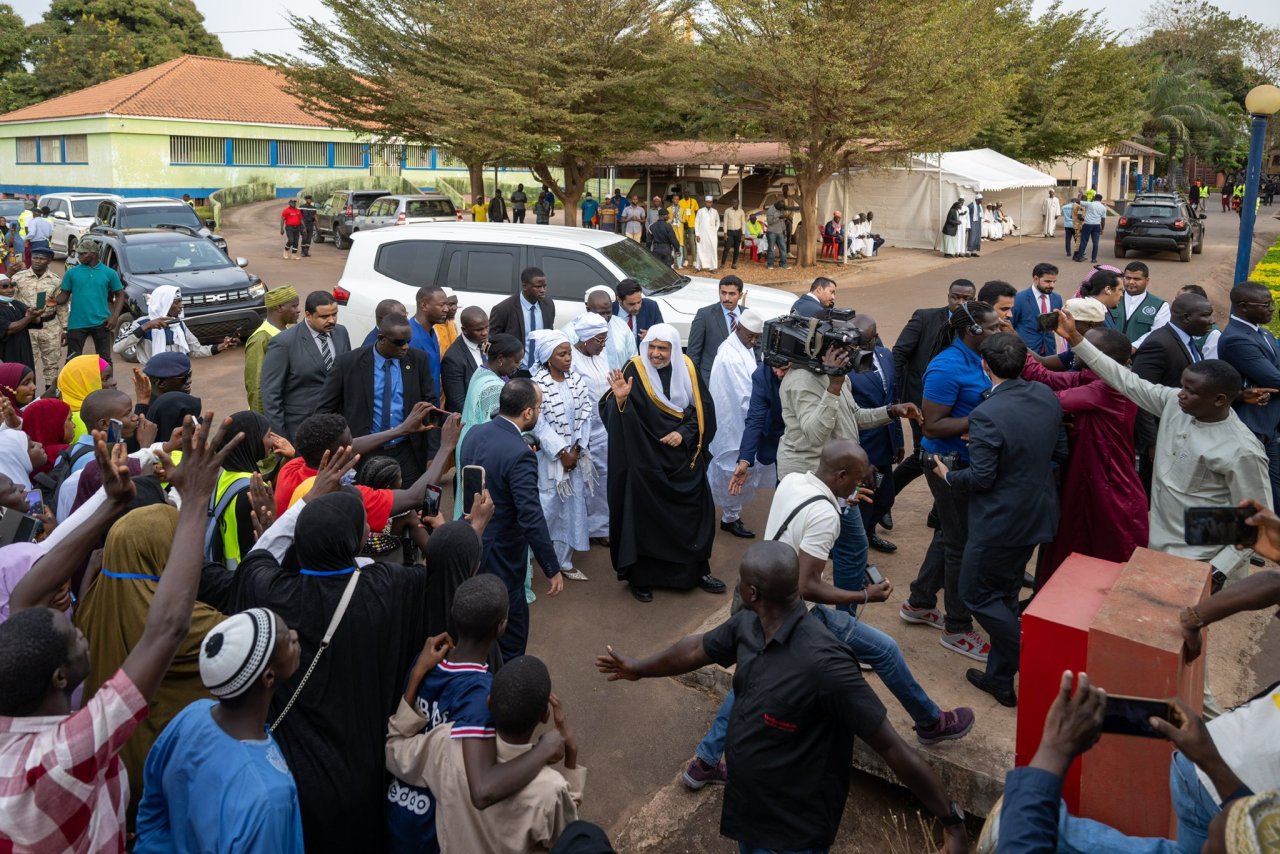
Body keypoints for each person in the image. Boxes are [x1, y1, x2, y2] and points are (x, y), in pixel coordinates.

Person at [596, 540, 969, 854]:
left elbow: (892, 747)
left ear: (752, 593)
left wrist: (951, 821)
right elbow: (695, 649)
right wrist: (639, 668)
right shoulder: (749, 625)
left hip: (793, 831)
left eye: (740, 582)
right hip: (750, 810)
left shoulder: (826, 666)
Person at [228, 442, 477, 853]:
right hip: (362, 770)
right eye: (362, 524)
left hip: (289, 768)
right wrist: (468, 531)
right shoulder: (391, 588)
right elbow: (446, 574)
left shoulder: (271, 590)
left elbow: (259, 557)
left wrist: (303, 505)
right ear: (352, 539)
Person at [0, 416, 233, 852]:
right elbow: (165, 629)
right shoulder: (67, 752)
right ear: (60, 678)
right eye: (74, 639)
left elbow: (27, 596)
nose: (82, 633)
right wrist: (197, 499)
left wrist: (108, 505)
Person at [1058, 308, 1272, 583]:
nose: (1181, 395)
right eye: (1183, 386)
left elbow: (1256, 521)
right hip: (1157, 548)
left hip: (1198, 563)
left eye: (1191, 392)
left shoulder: (1242, 450)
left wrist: (1216, 572)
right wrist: (1076, 337)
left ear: (1219, 400)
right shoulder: (1175, 403)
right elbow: (1125, 380)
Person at [931, 333, 1066, 707]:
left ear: (984, 365)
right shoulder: (1045, 395)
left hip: (999, 520)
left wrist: (947, 475)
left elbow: (981, 479)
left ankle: (1025, 651)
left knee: (975, 595)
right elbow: (1058, 451)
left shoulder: (986, 414)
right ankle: (1000, 680)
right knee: (1005, 592)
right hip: (1036, 511)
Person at [385, 574, 563, 853]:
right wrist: (544, 749)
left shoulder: (426, 663)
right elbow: (482, 787)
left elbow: (398, 742)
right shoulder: (482, 697)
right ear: (502, 626)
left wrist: (418, 671)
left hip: (399, 809)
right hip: (434, 828)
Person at [135, 608, 304, 853]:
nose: (295, 635)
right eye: (287, 641)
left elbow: (152, 809)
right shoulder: (268, 798)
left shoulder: (192, 716)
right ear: (269, 676)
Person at [388, 644, 583, 854]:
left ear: (489, 703)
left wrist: (417, 674)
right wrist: (571, 758)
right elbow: (570, 838)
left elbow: (394, 750)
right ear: (545, 716)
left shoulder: (446, 742)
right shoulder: (550, 789)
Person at [900, 302, 1000, 662]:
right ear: (971, 331)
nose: (998, 332)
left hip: (962, 462)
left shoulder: (977, 360)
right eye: (992, 328)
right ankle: (957, 628)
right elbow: (932, 425)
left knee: (949, 535)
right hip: (947, 464)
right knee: (961, 544)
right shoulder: (946, 366)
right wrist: (985, 417)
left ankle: (920, 602)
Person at [600, 324, 724, 603]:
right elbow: (610, 412)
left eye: (663, 348)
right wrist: (620, 402)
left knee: (696, 512)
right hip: (645, 463)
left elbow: (703, 412)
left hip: (683, 460)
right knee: (645, 520)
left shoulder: (688, 368)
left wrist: (684, 433)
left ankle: (696, 571)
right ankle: (641, 578)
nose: (656, 354)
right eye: (652, 347)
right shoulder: (634, 369)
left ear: (672, 349)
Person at [1020, 327, 1146, 585]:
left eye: (1084, 347)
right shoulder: (1092, 377)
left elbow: (1048, 401)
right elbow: (1043, 375)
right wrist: (1014, 341)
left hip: (1109, 483)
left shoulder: (1110, 386)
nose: (1075, 349)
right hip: (1089, 473)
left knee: (1107, 545)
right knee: (1074, 535)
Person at [459, 379, 563, 659]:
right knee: (510, 637)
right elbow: (530, 516)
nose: (539, 412)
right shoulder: (520, 455)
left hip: (471, 541)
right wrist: (551, 566)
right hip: (503, 555)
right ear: (528, 413)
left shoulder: (475, 434)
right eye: (539, 407)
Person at [317, 313, 437, 484]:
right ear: (381, 338)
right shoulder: (348, 363)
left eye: (408, 341)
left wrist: (433, 453)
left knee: (409, 503)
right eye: (399, 342)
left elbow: (429, 406)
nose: (405, 347)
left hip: (407, 451)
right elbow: (325, 411)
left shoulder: (418, 360)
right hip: (364, 452)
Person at [892, 279, 976, 494]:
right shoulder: (925, 317)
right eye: (955, 297)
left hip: (957, 405)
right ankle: (885, 496)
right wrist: (899, 396)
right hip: (921, 402)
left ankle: (937, 514)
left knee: (950, 455)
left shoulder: (975, 328)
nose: (959, 302)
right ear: (948, 296)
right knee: (923, 455)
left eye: (966, 299)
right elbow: (899, 354)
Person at [1131, 292, 1216, 493]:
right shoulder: (1159, 344)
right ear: (1186, 317)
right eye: (1206, 315)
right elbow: (1140, 395)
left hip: (1183, 436)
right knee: (1154, 495)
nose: (1212, 321)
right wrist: (1152, 443)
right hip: (1164, 439)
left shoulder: (1186, 338)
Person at [530, 331, 595, 582]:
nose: (569, 358)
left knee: (572, 507)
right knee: (547, 507)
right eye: (562, 353)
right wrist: (560, 451)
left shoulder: (575, 380)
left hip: (575, 457)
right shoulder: (537, 385)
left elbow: (585, 414)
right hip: (549, 459)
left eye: (569, 353)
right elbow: (538, 423)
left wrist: (576, 449)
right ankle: (527, 555)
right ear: (548, 357)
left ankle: (563, 561)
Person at [1219, 281, 1280, 507]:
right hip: (1252, 424)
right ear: (1243, 307)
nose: (1272, 309)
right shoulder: (1237, 339)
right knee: (1253, 491)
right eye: (1265, 305)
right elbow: (1274, 380)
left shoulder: (1261, 332)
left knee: (1273, 490)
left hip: (1269, 424)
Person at [261, 290, 351, 440]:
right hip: (300, 428)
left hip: (336, 425)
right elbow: (271, 394)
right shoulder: (284, 342)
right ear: (308, 315)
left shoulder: (341, 332)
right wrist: (281, 438)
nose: (332, 320)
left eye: (334, 314)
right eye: (324, 316)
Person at [707, 310, 765, 539]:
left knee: (735, 469)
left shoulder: (742, 347)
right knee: (732, 469)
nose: (754, 341)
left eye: (757, 337)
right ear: (737, 328)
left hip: (742, 421)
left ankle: (730, 513)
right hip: (733, 422)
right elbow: (745, 396)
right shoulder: (730, 355)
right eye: (750, 336)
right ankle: (730, 517)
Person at [848, 314, 903, 554]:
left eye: (865, 341)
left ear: (875, 338)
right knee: (862, 504)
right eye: (856, 341)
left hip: (885, 444)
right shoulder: (845, 368)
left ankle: (869, 533)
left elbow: (893, 399)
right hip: (861, 447)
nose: (859, 346)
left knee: (886, 498)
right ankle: (856, 546)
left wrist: (898, 440)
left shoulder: (886, 356)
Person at [455, 334, 526, 513]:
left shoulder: (482, 371)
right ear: (501, 359)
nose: (518, 367)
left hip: (469, 441)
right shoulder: (494, 388)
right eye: (516, 362)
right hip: (482, 450)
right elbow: (496, 428)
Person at [208, 411, 280, 570]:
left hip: (226, 570)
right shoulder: (255, 491)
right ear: (252, 440)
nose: (273, 442)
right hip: (250, 573)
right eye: (268, 436)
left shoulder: (225, 476)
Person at [568, 313, 612, 547]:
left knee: (602, 479)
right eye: (600, 340)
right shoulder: (571, 359)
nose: (603, 344)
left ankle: (601, 527)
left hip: (604, 428)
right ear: (586, 339)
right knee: (582, 480)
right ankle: (582, 528)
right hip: (581, 431)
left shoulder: (601, 354)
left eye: (605, 339)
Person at [113, 285, 240, 362]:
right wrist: (146, 327)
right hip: (153, 380)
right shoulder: (143, 323)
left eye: (181, 302)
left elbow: (195, 350)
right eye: (176, 302)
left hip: (179, 378)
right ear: (164, 303)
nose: (181, 306)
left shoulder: (178, 324)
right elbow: (118, 347)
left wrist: (221, 346)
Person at [55, 238, 124, 362]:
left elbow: (120, 294)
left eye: (83, 254)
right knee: (72, 360)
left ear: (94, 254)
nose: (79, 257)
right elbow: (63, 296)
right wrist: (52, 301)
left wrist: (115, 316)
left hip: (102, 322)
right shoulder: (71, 273)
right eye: (78, 253)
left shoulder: (109, 273)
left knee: (104, 361)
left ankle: (105, 382)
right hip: (76, 323)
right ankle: (72, 382)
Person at [10, 247, 63, 389]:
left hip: (50, 326)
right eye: (35, 257)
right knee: (26, 364)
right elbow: (9, 299)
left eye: (42, 258)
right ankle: (27, 399)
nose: (37, 261)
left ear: (49, 260)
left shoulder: (56, 280)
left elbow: (61, 305)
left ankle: (50, 399)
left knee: (51, 364)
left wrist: (65, 328)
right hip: (27, 327)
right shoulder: (18, 278)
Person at [244, 285, 301, 413]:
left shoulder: (283, 332)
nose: (298, 310)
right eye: (294, 306)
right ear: (279, 307)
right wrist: (261, 422)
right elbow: (255, 385)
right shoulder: (261, 339)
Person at [687, 274, 746, 389]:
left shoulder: (748, 316)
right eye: (723, 293)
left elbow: (756, 351)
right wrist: (696, 382)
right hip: (711, 379)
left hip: (741, 379)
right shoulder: (704, 315)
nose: (726, 298)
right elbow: (693, 352)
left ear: (740, 295)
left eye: (732, 294)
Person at [489, 267, 555, 371]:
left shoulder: (548, 305)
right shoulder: (503, 309)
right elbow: (492, 342)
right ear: (525, 286)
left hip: (541, 371)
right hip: (514, 372)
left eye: (544, 286)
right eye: (538, 287)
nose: (542, 290)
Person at [568, 286, 636, 372]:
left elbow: (633, 358)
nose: (605, 317)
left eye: (608, 312)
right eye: (601, 313)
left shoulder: (622, 326)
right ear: (588, 310)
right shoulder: (573, 331)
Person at [441, 305, 488, 412]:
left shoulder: (487, 343)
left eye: (486, 327)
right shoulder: (453, 359)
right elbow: (457, 403)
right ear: (464, 330)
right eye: (479, 329)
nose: (485, 332)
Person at [1011, 263, 1063, 356]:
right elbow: (1010, 326)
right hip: (1026, 353)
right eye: (1047, 281)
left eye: (1054, 281)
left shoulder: (1057, 299)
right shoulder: (1019, 299)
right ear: (1036, 279)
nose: (1052, 285)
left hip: (1049, 351)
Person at [1110, 261, 1169, 344]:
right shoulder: (1110, 298)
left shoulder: (1160, 306)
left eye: (1136, 279)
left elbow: (1158, 333)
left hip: (1141, 354)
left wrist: (1135, 347)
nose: (1131, 282)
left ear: (1147, 281)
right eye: (1127, 278)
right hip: (1108, 352)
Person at [409, 285, 448, 406]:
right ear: (424, 305)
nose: (446, 309)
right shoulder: (411, 337)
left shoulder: (431, 332)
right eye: (441, 305)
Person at [56, 353, 110, 439]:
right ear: (84, 383)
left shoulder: (94, 408)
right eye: (105, 379)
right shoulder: (82, 420)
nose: (114, 382)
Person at [0, 274, 42, 368]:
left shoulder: (15, 303)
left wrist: (35, 314)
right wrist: (29, 317)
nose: (10, 290)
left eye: (11, 286)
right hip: (6, 354)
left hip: (23, 351)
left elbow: (36, 321)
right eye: (5, 287)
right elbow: (9, 328)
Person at [613, 278, 663, 348]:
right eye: (631, 304)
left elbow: (663, 334)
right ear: (619, 300)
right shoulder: (610, 311)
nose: (637, 307)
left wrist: (652, 337)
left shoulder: (651, 307)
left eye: (639, 302)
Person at [1073, 195, 1107, 263]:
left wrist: (1081, 194)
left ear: (1094, 198)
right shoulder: (1103, 208)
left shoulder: (1090, 204)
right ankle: (1093, 259)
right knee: (1095, 243)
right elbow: (1103, 220)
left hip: (1087, 224)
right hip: (1097, 225)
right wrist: (1102, 229)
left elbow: (1077, 201)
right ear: (1101, 199)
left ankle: (1080, 257)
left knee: (1084, 241)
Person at [693, 196, 719, 272]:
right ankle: (698, 267)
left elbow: (717, 221)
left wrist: (715, 230)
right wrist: (697, 234)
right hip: (702, 234)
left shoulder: (715, 211)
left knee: (713, 250)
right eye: (707, 202)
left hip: (712, 235)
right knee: (700, 250)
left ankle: (713, 267)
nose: (708, 203)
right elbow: (696, 223)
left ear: (712, 203)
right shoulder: (700, 211)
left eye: (710, 202)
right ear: (705, 202)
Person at [677, 192, 699, 268]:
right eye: (685, 193)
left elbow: (696, 212)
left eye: (687, 193)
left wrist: (696, 222)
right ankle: (686, 259)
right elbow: (679, 213)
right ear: (683, 194)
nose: (686, 194)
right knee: (684, 243)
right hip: (683, 225)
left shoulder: (693, 201)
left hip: (691, 225)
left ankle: (694, 260)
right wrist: (683, 221)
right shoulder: (680, 202)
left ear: (689, 194)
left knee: (692, 243)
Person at [765, 200, 788, 268]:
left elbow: (782, 222)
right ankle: (770, 264)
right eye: (780, 207)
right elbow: (769, 222)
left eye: (782, 207)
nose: (781, 209)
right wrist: (779, 218)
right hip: (772, 232)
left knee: (783, 248)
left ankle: (783, 263)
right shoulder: (771, 210)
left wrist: (784, 230)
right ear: (777, 205)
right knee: (771, 249)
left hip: (780, 232)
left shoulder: (781, 209)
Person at [721, 200, 745, 268]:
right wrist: (725, 233)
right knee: (727, 248)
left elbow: (743, 223)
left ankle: (734, 264)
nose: (734, 204)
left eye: (735, 203)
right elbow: (725, 222)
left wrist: (743, 234)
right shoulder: (727, 211)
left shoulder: (741, 212)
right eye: (733, 202)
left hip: (738, 232)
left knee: (737, 248)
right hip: (729, 232)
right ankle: (722, 264)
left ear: (738, 203)